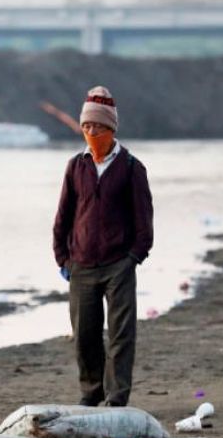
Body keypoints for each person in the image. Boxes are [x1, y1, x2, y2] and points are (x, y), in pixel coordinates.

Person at [52, 86, 154, 407]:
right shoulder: (76, 166)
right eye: (86, 126)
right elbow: (63, 215)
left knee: (121, 335)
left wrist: (134, 256)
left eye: (97, 126)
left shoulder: (131, 168)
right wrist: (63, 257)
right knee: (84, 336)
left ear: (111, 128)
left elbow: (144, 220)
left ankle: (117, 396)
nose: (90, 132)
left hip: (119, 264)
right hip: (80, 264)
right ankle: (91, 392)